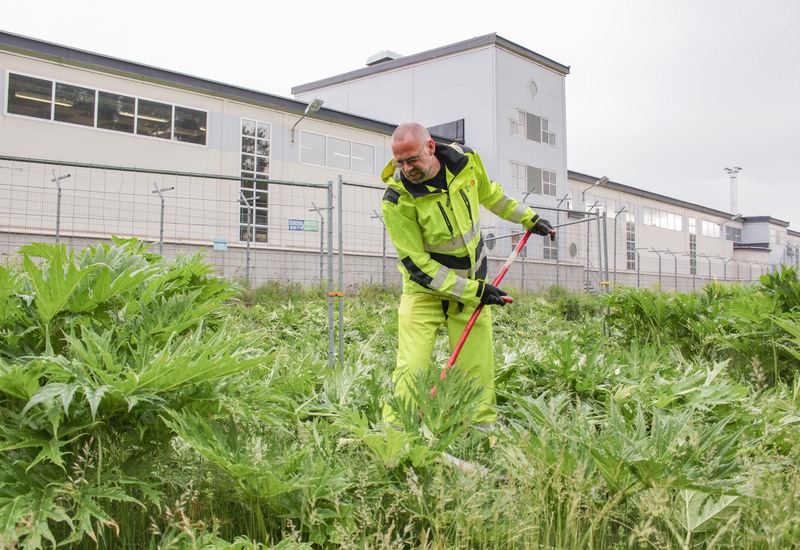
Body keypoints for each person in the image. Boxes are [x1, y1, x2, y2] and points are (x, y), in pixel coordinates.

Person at [380, 122, 555, 428]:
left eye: (412, 159)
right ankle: (398, 437)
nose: (407, 168)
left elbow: (492, 196)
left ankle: (480, 433)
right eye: (400, 162)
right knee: (412, 368)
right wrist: (475, 291)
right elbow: (417, 265)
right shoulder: (397, 199)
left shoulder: (467, 163)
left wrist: (529, 218)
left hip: (472, 284)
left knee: (477, 367)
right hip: (426, 294)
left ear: (430, 147)